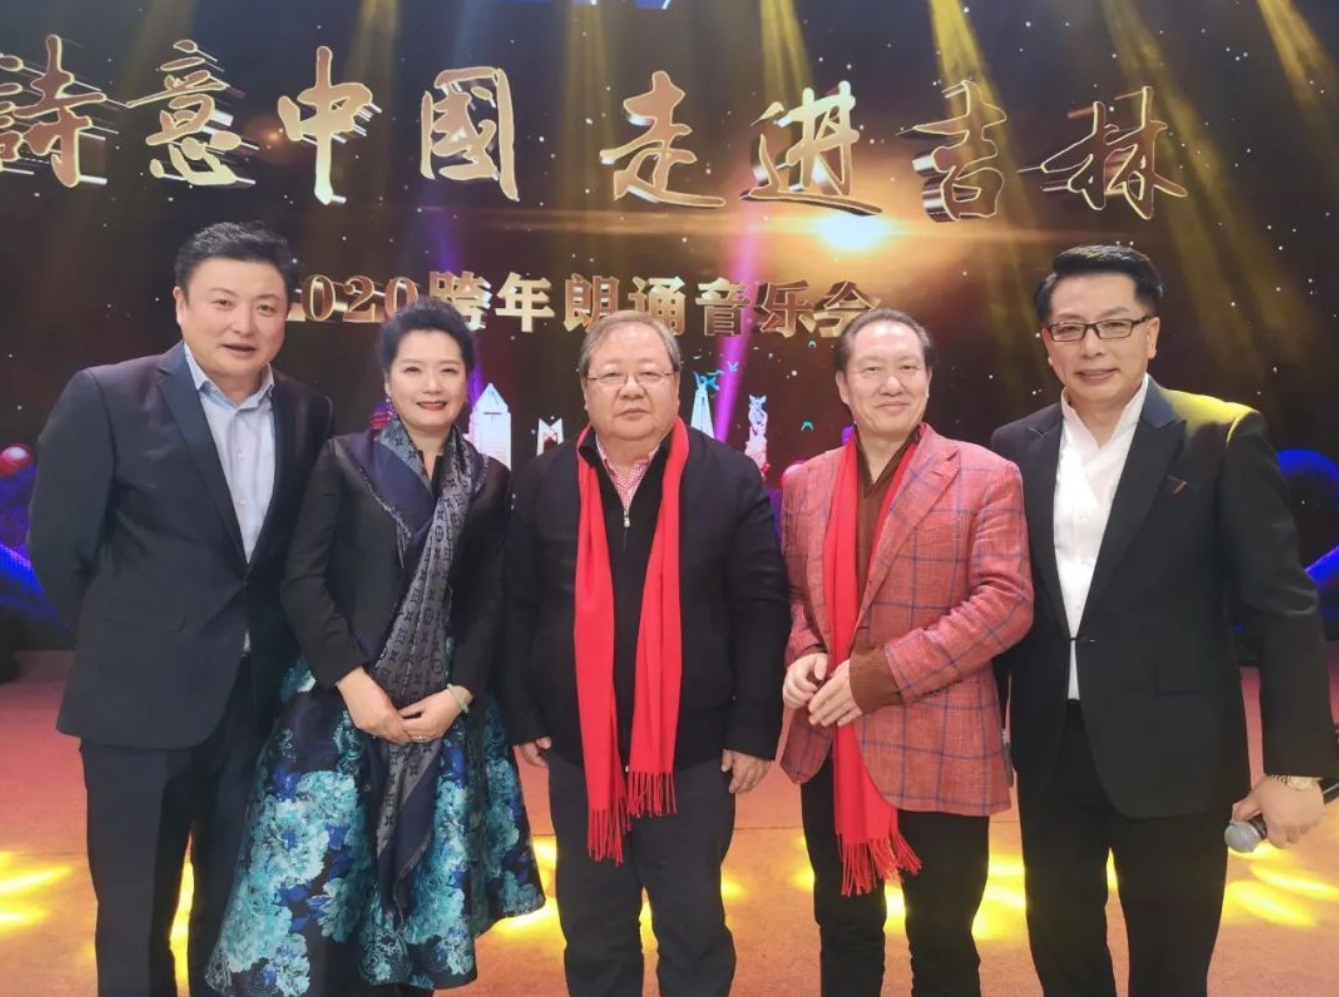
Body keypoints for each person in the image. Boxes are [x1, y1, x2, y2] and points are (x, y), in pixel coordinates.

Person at [991, 245, 1339, 997]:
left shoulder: (1218, 434)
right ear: (1046, 343)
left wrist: (1295, 766)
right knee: (1062, 953)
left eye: (1114, 324)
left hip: (1178, 755)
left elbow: (1281, 605)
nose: (1092, 345)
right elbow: (1001, 600)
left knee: (1172, 969)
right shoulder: (1014, 446)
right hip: (1051, 751)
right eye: (1070, 327)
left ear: (1151, 333)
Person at [27, 221, 334, 997]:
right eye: (223, 301)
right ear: (180, 303)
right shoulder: (107, 396)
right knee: (135, 918)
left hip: (258, 707)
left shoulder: (308, 411)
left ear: (287, 313)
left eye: (266, 305)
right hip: (137, 710)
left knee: (237, 914)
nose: (244, 324)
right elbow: (60, 549)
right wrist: (131, 643)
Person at [207, 299, 544, 996]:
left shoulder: (489, 480)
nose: (432, 385)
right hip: (340, 707)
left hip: (441, 714)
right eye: (413, 369)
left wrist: (460, 693)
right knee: (323, 893)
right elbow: (302, 581)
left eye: (448, 369)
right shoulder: (344, 459)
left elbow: (489, 600)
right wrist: (353, 683)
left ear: (467, 380)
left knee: (416, 897)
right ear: (387, 380)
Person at [502, 310, 788, 997]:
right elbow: (516, 602)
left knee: (692, 928)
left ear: (676, 383)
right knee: (593, 928)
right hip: (580, 751)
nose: (631, 388)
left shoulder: (728, 479)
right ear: (584, 389)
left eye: (649, 373)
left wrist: (753, 728)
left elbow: (761, 609)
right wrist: (523, 711)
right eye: (612, 374)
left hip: (694, 754)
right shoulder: (542, 481)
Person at [780, 308, 1034, 997]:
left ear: (928, 378)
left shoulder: (986, 475)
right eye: (871, 368)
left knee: (943, 938)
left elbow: (1005, 602)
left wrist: (879, 676)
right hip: (832, 741)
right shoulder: (806, 482)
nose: (890, 383)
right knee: (843, 927)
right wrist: (804, 651)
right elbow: (795, 595)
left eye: (906, 368)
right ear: (843, 384)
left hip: (941, 740)